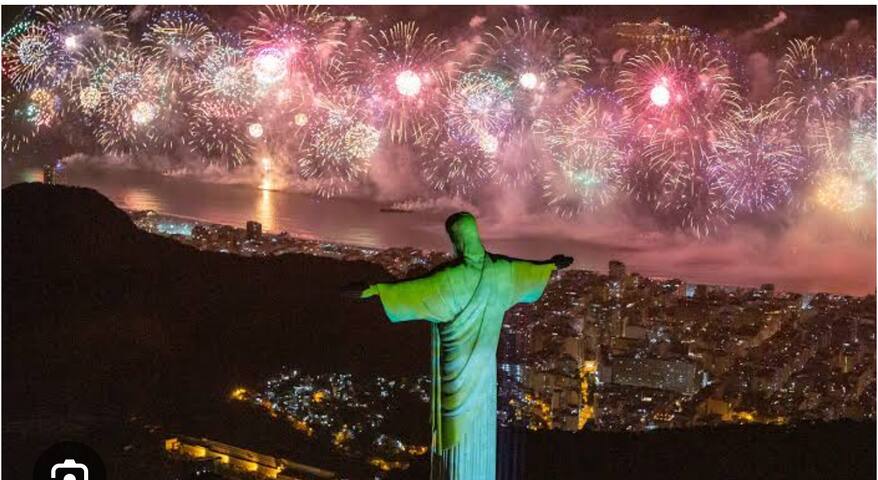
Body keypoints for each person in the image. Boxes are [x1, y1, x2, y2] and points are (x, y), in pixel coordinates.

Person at [357, 211, 573, 480]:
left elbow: (412, 291)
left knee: (454, 439)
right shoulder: (502, 272)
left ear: (457, 240)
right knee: (479, 436)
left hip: (455, 375)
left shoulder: (450, 278)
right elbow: (527, 270)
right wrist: (552, 266)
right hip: (485, 376)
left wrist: (375, 290)